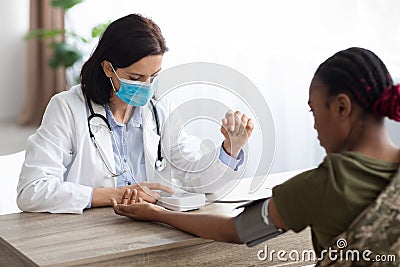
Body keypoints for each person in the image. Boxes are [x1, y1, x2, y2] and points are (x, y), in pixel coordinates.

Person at [111, 47, 400, 255]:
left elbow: (235, 231)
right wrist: (228, 149)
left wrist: (158, 214)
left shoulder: (328, 183)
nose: (314, 126)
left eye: (314, 112)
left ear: (341, 107)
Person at [17, 14, 253, 214]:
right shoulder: (66, 108)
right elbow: (32, 191)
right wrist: (115, 195)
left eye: (153, 76)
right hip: (90, 230)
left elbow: (196, 178)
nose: (147, 86)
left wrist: (230, 148)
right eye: (136, 78)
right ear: (108, 68)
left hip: (150, 225)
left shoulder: (160, 110)